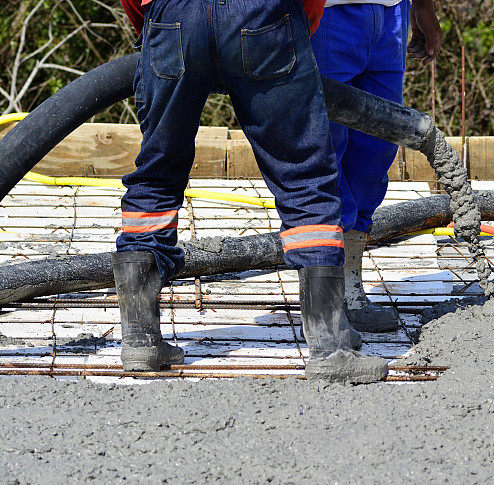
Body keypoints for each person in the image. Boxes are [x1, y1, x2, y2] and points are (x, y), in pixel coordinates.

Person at [118, 0, 387, 383]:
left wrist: (156, 26)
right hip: (261, 14)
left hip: (172, 16)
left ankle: (140, 341)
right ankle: (330, 348)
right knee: (303, 176)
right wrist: (292, 27)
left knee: (156, 173)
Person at [309, 0, 441, 333]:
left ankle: (352, 283)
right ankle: (329, 291)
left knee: (376, 150)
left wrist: (422, 7)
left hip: (388, 13)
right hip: (326, 13)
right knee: (325, 149)